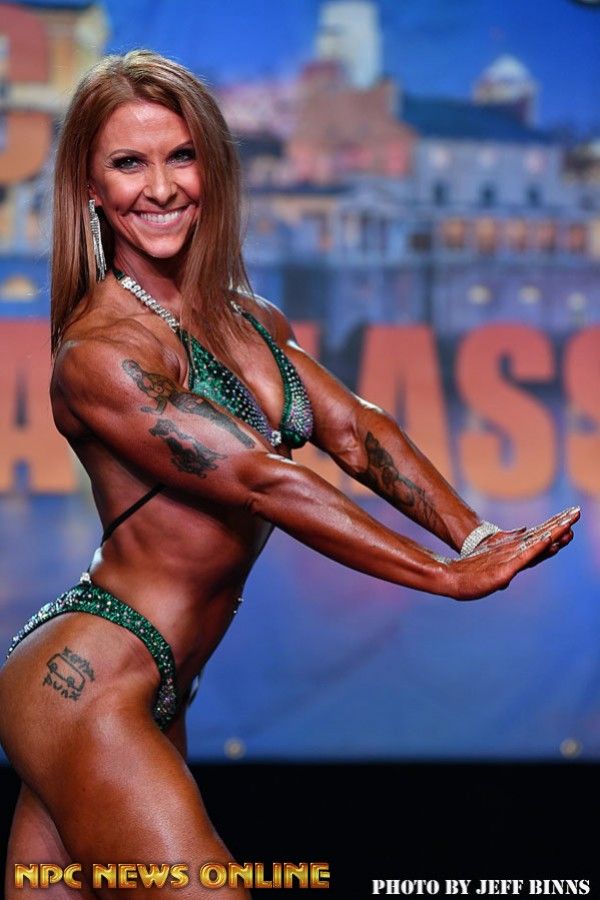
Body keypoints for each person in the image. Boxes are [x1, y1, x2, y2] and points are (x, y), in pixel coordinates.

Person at [0, 49, 579, 899]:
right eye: (128, 163)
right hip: (89, 685)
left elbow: (355, 431)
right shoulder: (101, 354)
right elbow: (265, 481)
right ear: (90, 188)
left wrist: (477, 535)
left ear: (212, 167)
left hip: (152, 689)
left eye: (181, 156)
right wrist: (443, 576)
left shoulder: (248, 321)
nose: (160, 187)